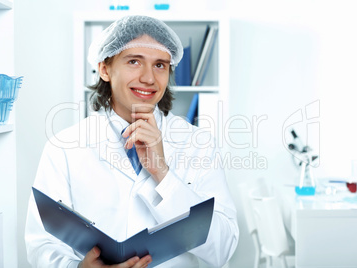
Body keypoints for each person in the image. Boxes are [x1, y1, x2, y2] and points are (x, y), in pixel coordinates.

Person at [25, 15, 239, 268]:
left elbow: (223, 248)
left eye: (160, 65)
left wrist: (163, 174)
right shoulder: (64, 146)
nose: (149, 78)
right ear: (105, 69)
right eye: (134, 61)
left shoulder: (198, 143)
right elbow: (41, 243)